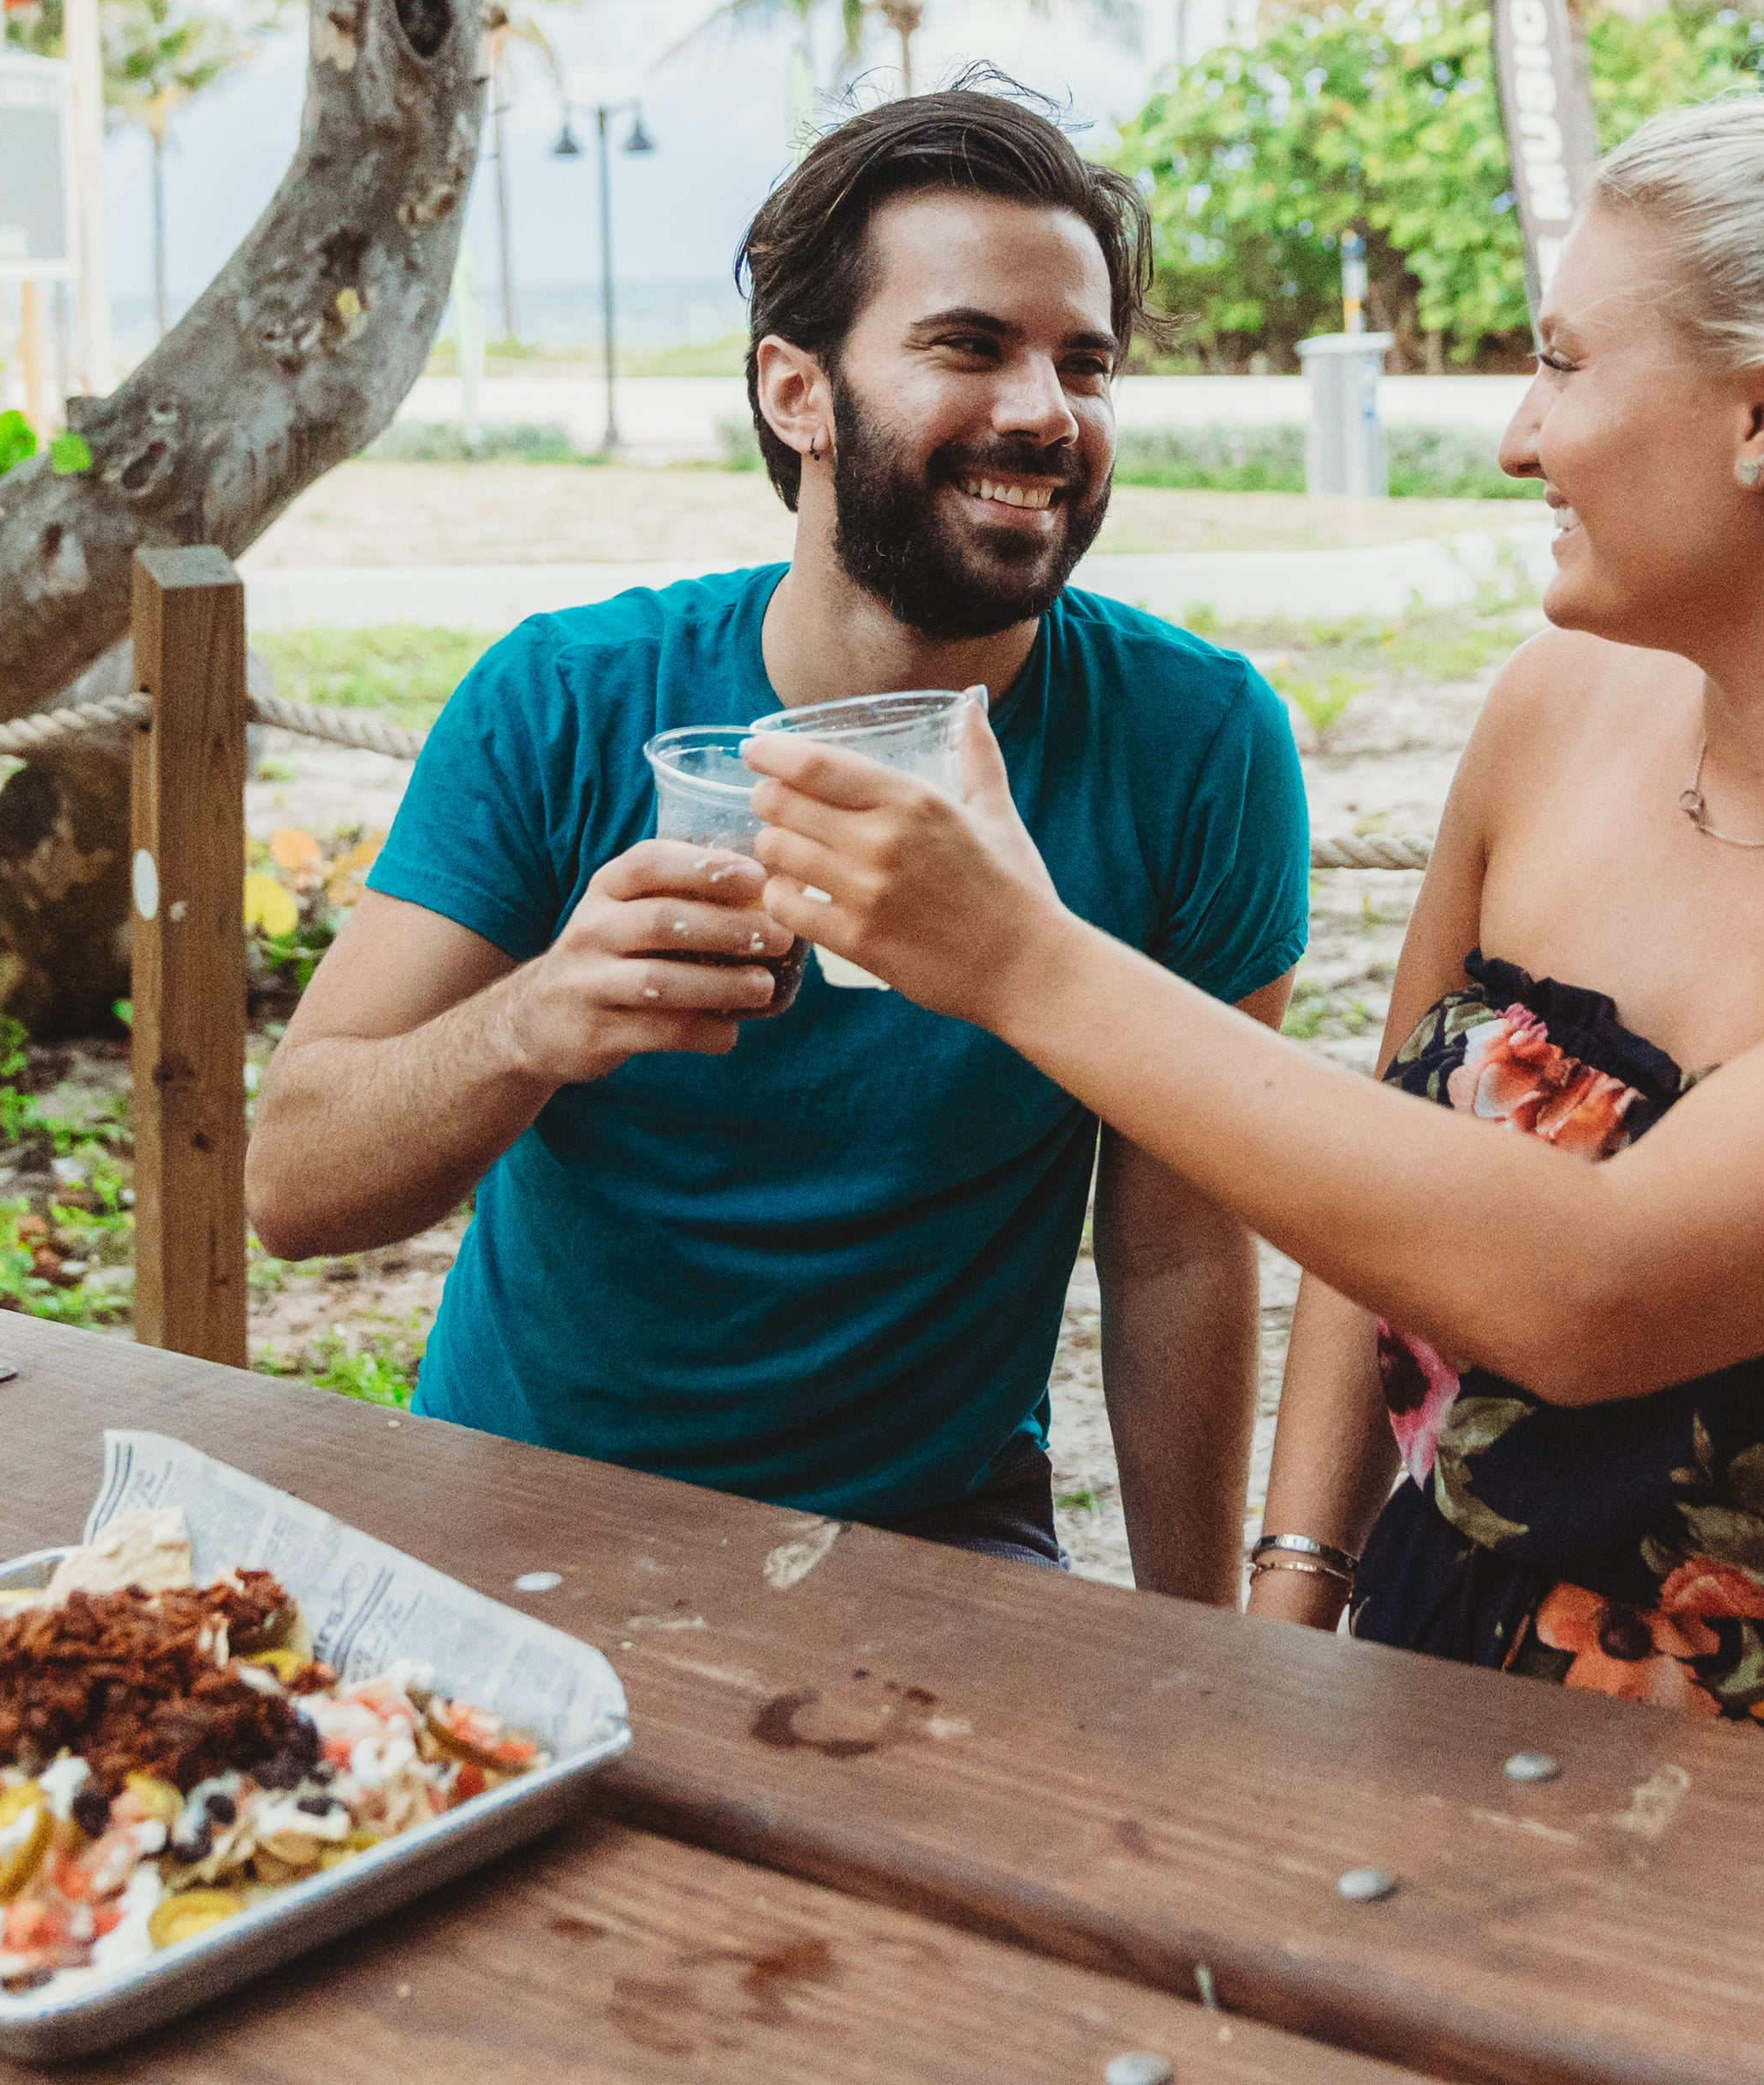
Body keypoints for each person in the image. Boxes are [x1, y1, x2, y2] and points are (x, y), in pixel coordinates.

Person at [729, 96, 1764, 1787]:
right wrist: (1287, 1623)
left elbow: (1597, 1286)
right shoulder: (1551, 711)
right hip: (1429, 1680)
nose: (1520, 435)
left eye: (1566, 361)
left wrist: (1025, 957)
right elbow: (1376, 1208)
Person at [247, 85, 1308, 1592]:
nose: (1045, 413)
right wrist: (536, 1022)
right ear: (795, 392)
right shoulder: (564, 700)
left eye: (1086, 363)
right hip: (521, 1504)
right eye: (969, 345)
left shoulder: (1195, 745)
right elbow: (295, 1187)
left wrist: (1201, 1657)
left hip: (935, 1530)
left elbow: (1175, 1256)